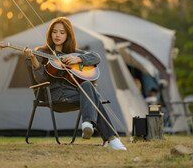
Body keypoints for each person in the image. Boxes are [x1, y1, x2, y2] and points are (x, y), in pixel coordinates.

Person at [22, 17, 126, 150]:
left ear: (68, 35)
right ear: (50, 34)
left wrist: (78, 58)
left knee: (88, 85)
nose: (57, 35)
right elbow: (41, 79)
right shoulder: (41, 53)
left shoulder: (74, 53)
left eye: (62, 32)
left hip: (75, 94)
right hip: (56, 95)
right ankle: (112, 139)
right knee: (93, 97)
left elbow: (96, 57)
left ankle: (88, 123)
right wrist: (33, 59)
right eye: (54, 32)